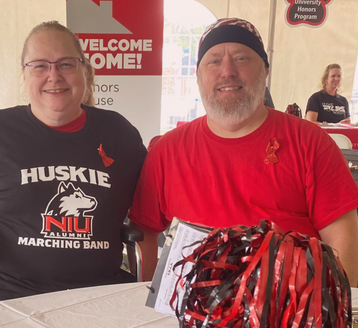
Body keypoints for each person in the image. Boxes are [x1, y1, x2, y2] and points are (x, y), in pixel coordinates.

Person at [129, 18, 358, 286]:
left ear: (265, 70)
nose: (227, 71)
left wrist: (334, 309)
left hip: (288, 312)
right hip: (192, 310)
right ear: (199, 74)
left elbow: (344, 239)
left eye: (241, 58)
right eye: (213, 61)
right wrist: (147, 297)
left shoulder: (310, 142)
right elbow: (144, 232)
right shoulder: (166, 151)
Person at [0, 21, 147, 302]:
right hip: (6, 298)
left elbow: (151, 201)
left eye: (66, 64)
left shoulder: (119, 133)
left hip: (98, 295)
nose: (54, 76)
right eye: (40, 66)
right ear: (24, 74)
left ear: (84, 70)